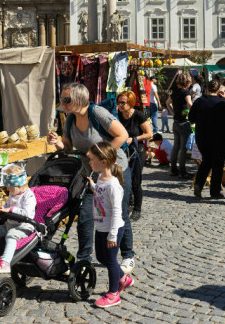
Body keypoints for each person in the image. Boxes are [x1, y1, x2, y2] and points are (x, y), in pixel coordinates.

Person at [46, 83, 135, 274]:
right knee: (86, 215)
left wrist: (101, 155)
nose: (63, 103)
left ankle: (128, 255)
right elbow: (69, 145)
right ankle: (83, 259)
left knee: (118, 213)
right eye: (62, 99)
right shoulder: (70, 119)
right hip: (90, 174)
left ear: (79, 98)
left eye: (67, 99)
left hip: (114, 171)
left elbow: (122, 135)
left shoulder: (98, 113)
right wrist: (58, 143)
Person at [86, 142, 133, 308]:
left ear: (103, 161)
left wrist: (113, 234)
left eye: (92, 160)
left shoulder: (113, 185)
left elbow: (116, 212)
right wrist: (93, 185)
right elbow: (100, 192)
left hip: (112, 229)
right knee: (101, 257)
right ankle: (124, 279)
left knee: (111, 260)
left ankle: (114, 294)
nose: (90, 162)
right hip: (100, 227)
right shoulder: (100, 178)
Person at [189, 80, 225, 199]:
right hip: (220, 137)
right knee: (217, 165)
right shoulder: (222, 102)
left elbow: (191, 118)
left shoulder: (199, 101)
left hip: (202, 137)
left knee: (206, 161)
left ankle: (199, 184)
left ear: (207, 88)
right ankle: (215, 191)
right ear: (219, 89)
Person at [116, 91, 152, 221]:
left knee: (136, 181)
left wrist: (134, 138)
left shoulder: (138, 115)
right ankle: (128, 204)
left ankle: (137, 209)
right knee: (124, 179)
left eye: (123, 103)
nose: (120, 105)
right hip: (122, 151)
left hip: (137, 150)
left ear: (130, 103)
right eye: (118, 102)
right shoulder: (118, 115)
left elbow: (149, 134)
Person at [166, 73, 193, 178]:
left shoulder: (175, 92)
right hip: (184, 122)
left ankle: (173, 169)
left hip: (176, 122)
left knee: (176, 146)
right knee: (183, 148)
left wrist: (173, 113)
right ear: (187, 82)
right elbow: (190, 104)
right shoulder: (186, 92)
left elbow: (167, 103)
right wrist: (194, 113)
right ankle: (182, 171)